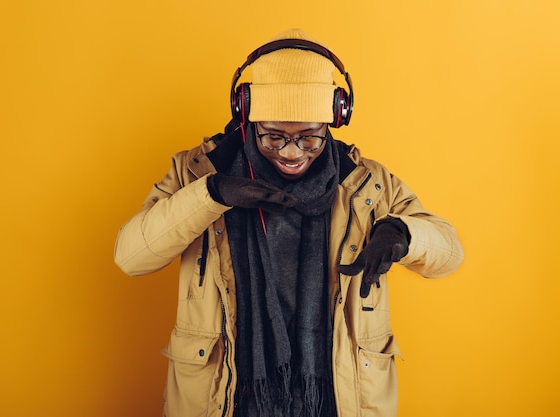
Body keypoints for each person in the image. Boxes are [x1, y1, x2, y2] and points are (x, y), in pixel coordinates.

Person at [114, 28, 464, 417]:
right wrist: (210, 195)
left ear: (334, 120)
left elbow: (450, 253)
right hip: (230, 395)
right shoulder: (196, 172)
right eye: (273, 137)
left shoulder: (367, 183)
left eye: (310, 138)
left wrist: (403, 233)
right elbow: (131, 257)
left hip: (336, 396)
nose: (292, 152)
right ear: (247, 115)